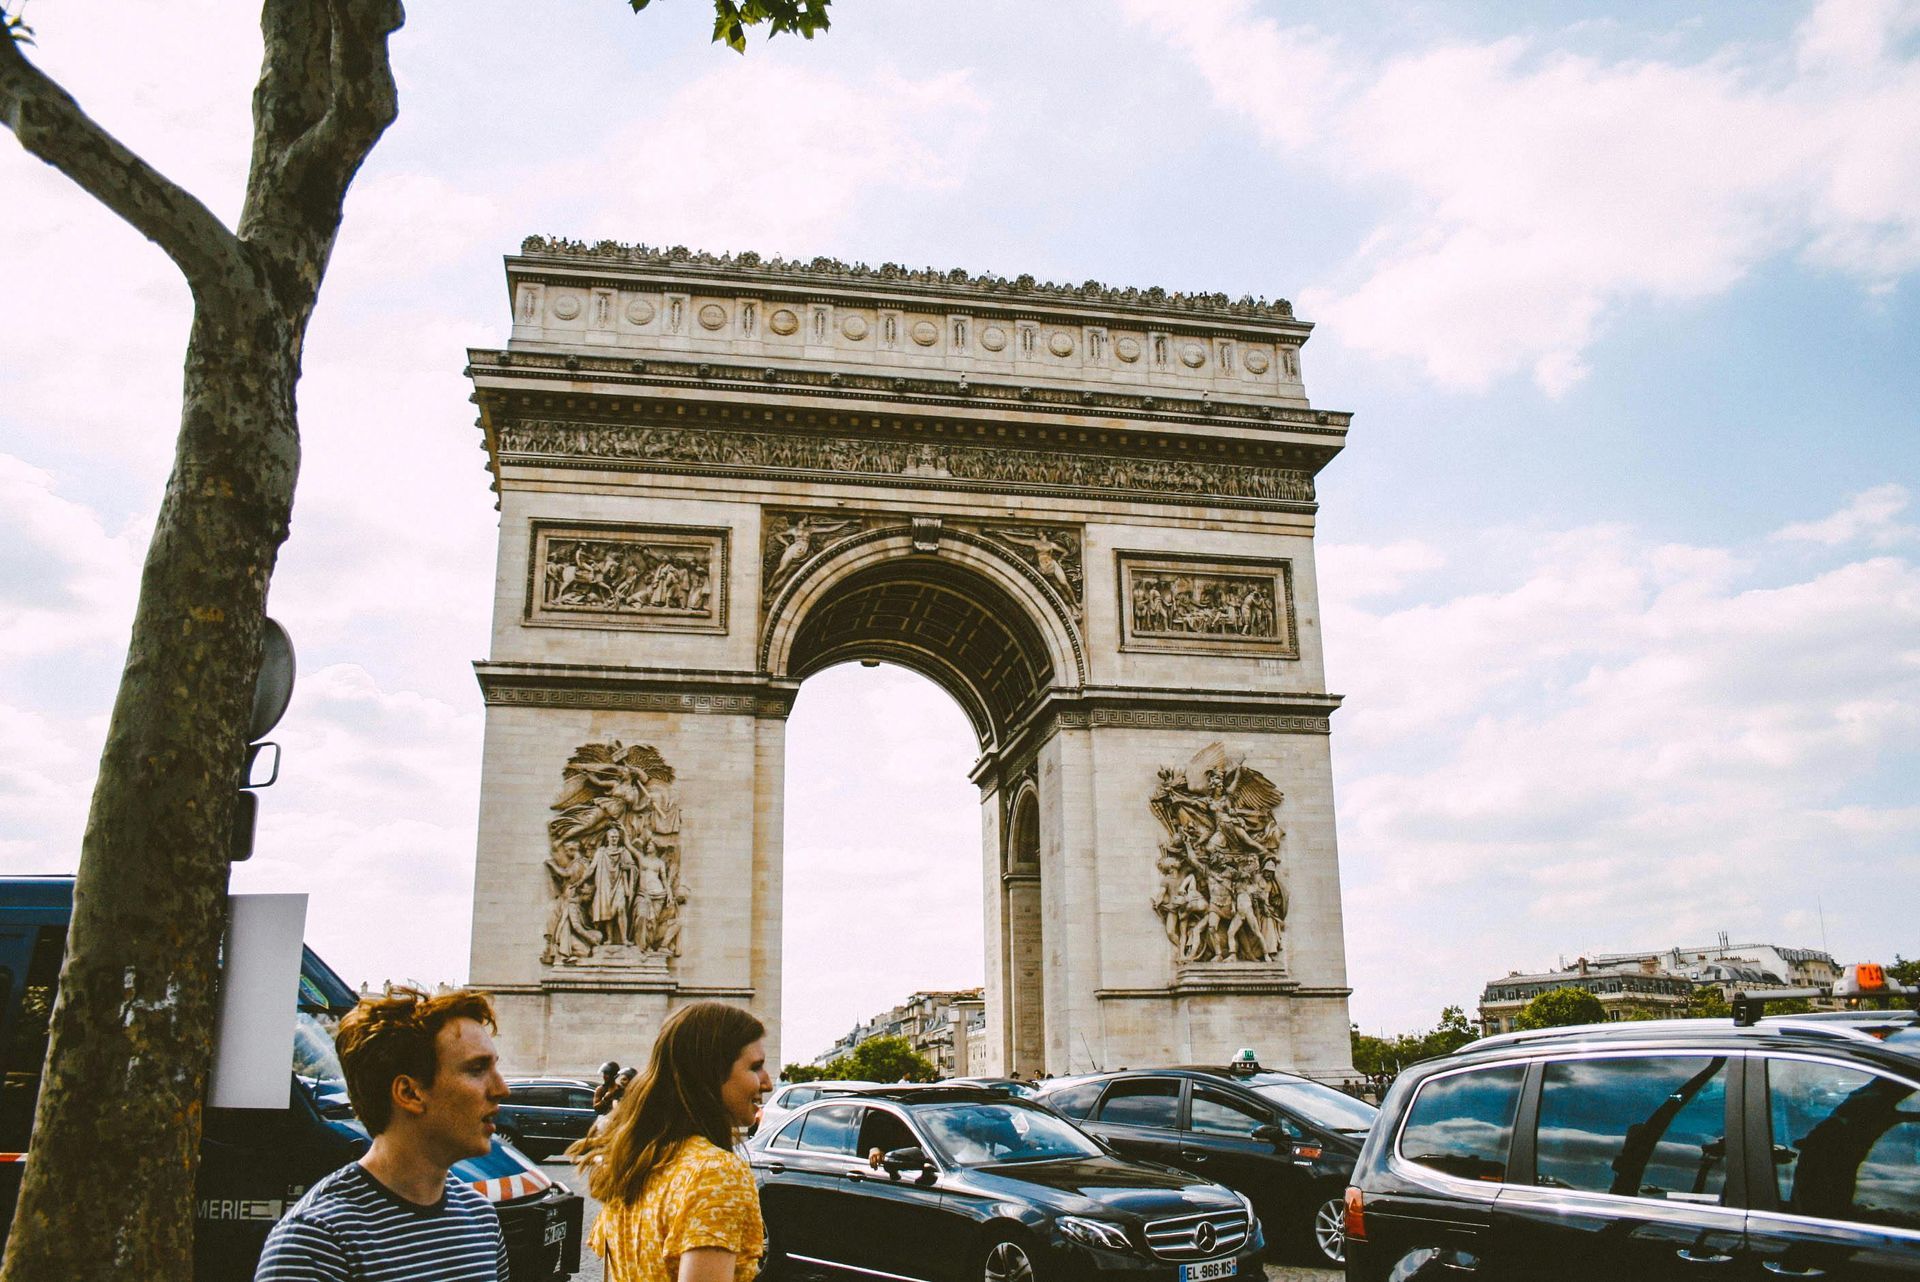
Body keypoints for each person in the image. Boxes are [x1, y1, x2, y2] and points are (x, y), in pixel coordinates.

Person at [255, 987, 510, 1280]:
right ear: (409, 1093)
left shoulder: (482, 1219)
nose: (502, 1089)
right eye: (477, 1069)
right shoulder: (314, 1243)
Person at [569, 1002, 772, 1282]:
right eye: (756, 1067)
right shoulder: (715, 1172)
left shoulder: (633, 1159)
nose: (768, 1082)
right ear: (711, 1072)